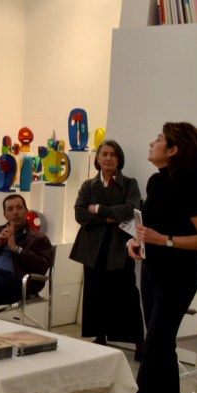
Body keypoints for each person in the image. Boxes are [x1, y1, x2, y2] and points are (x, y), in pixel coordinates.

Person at [125, 122, 197, 393]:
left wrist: (163, 240)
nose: (152, 143)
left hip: (180, 276)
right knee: (162, 344)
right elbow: (147, 227)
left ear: (174, 150)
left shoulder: (194, 186)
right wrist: (135, 242)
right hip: (152, 270)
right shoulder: (155, 181)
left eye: (159, 139)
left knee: (153, 347)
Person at [69, 140, 144, 354]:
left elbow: (131, 209)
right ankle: (100, 337)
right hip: (92, 248)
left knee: (127, 294)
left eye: (113, 154)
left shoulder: (130, 184)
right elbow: (80, 214)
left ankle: (139, 342)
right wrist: (109, 218)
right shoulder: (88, 185)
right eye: (104, 154)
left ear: (119, 159)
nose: (108, 158)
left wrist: (98, 209)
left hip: (120, 246)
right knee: (96, 292)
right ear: (98, 158)